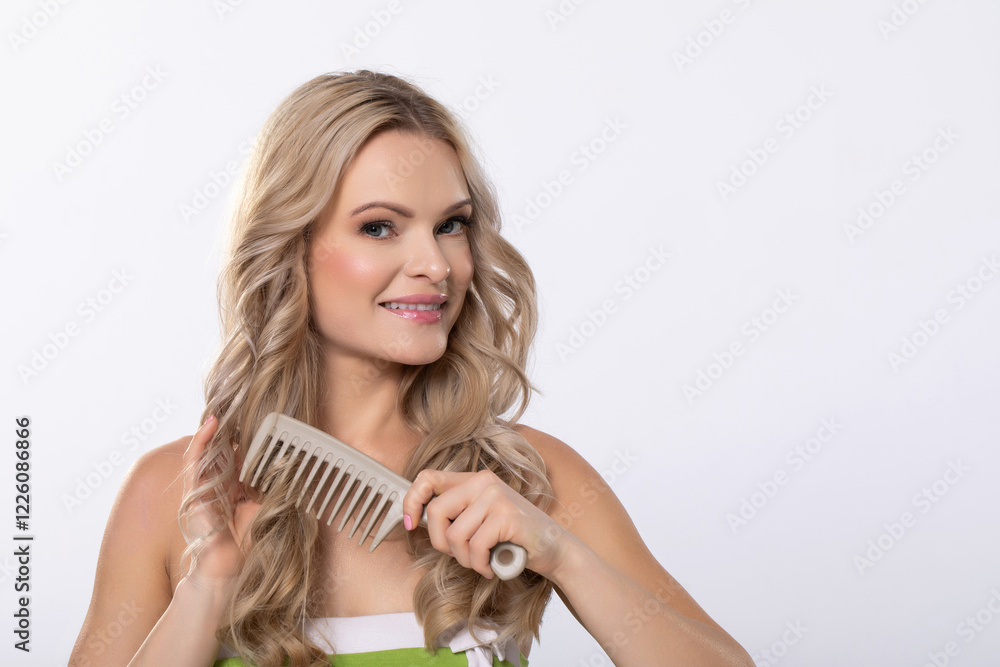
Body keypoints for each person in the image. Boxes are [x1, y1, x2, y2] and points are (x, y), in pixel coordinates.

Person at [69, 70, 753, 667]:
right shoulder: (179, 495)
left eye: (451, 224)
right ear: (291, 247)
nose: (436, 265)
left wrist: (563, 556)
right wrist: (206, 587)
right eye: (380, 226)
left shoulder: (528, 477)